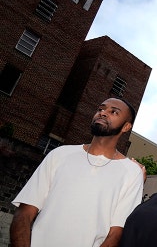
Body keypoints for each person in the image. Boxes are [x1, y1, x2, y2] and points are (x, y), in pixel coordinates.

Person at [10, 97, 145, 247]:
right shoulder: (60, 154)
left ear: (126, 127)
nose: (103, 113)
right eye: (101, 109)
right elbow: (24, 213)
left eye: (113, 112)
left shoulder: (132, 172)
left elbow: (116, 233)